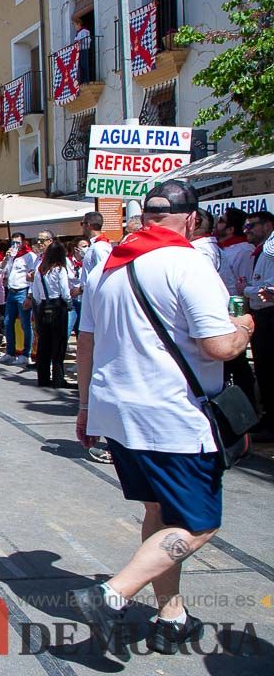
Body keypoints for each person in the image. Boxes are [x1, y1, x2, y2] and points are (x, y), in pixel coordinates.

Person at [73, 181, 255, 657]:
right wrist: (244, 328)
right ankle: (111, 594)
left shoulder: (108, 268)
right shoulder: (187, 263)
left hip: (119, 412)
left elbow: (86, 341)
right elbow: (218, 345)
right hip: (173, 416)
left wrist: (86, 406)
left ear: (144, 218)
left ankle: (171, 615)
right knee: (198, 523)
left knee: (159, 511)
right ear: (191, 219)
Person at [213, 207, 257, 409]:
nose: (217, 224)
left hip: (236, 313)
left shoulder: (243, 250)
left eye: (221, 221)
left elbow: (243, 283)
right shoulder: (224, 249)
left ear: (230, 229)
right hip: (224, 312)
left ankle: (247, 409)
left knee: (238, 366)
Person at [242, 210, 274, 438]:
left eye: (252, 225)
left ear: (267, 225)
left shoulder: (270, 250)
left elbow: (266, 289)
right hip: (261, 314)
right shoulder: (263, 251)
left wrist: (247, 290)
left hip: (269, 314)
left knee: (269, 371)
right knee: (264, 371)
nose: (248, 230)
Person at [28, 240, 73, 388]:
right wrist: (69, 303)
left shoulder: (40, 270)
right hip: (58, 306)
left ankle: (43, 378)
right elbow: (65, 291)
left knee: (44, 344)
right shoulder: (60, 270)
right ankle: (58, 379)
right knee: (58, 344)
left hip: (43, 306)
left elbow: (35, 293)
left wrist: (40, 305)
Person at [0, 232, 36, 366]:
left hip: (23, 291)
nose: (15, 245)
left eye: (18, 242)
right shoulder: (12, 255)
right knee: (8, 322)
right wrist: (6, 258)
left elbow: (32, 276)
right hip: (11, 291)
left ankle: (26, 354)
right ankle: (10, 352)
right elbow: (0, 270)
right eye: (13, 242)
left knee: (25, 324)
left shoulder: (30, 256)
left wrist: (29, 295)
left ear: (24, 242)